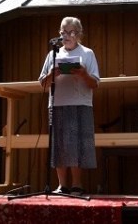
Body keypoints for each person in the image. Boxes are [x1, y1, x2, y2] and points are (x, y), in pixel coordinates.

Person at [39, 17, 100, 196]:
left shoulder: (87, 53)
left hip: (80, 104)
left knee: (77, 145)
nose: (66, 36)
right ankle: (62, 185)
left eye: (71, 32)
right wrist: (52, 73)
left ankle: (77, 185)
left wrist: (82, 73)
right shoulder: (53, 54)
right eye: (63, 32)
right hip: (57, 104)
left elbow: (95, 83)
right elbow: (43, 83)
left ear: (79, 34)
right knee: (59, 144)